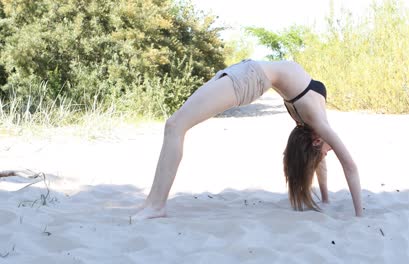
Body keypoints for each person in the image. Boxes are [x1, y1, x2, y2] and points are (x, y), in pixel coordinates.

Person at [134, 59, 363, 219]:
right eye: (326, 153)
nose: (329, 152)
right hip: (247, 71)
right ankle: (153, 204)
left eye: (324, 152)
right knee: (174, 125)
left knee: (175, 125)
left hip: (250, 75)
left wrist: (328, 200)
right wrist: (356, 212)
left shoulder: (311, 121)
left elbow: (331, 163)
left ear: (315, 141)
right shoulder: (315, 122)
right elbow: (348, 165)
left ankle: (155, 205)